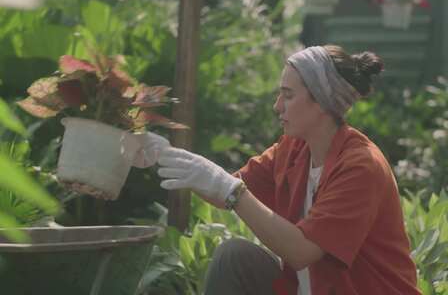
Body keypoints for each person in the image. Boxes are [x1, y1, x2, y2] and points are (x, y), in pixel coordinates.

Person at [135, 45, 421, 295]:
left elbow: (301, 251)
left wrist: (229, 189)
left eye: (288, 95)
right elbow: (222, 190)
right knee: (234, 257)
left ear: (321, 102)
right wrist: (165, 155)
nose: (277, 106)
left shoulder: (361, 167)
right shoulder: (293, 150)